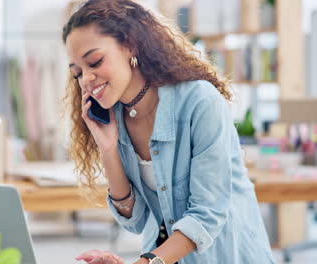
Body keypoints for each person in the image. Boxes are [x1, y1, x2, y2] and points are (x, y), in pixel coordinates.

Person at [62, 1, 275, 263]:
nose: (86, 79)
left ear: (129, 44)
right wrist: (108, 149)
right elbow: (137, 221)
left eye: (95, 61)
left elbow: (206, 214)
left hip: (227, 255)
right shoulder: (114, 117)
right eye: (77, 73)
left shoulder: (200, 102)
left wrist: (145, 262)